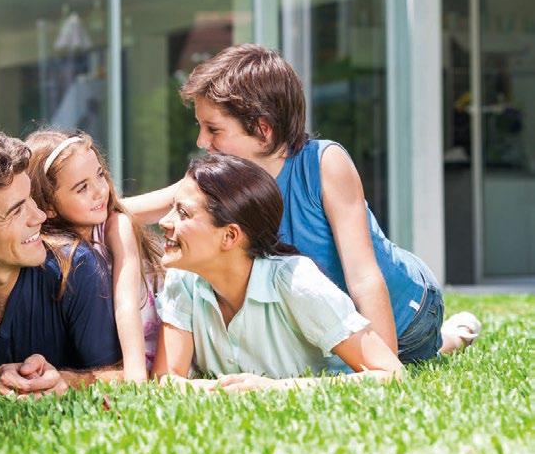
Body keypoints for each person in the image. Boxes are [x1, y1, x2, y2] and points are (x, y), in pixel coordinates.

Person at [128, 44, 481, 365]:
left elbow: (363, 275)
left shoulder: (324, 164)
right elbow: (141, 208)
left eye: (214, 129)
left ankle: (450, 336)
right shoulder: (226, 179)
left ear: (263, 130)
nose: (202, 140)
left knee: (411, 357)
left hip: (406, 312)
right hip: (332, 320)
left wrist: (383, 363)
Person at [0, 128, 163, 382]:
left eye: (31, 199)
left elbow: (120, 375)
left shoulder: (81, 261)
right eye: (17, 210)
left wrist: (68, 382)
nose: (40, 216)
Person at [154, 154, 404, 391]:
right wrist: (214, 389)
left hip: (413, 316)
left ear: (230, 236)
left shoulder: (296, 283)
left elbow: (391, 373)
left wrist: (274, 389)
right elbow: (166, 379)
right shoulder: (183, 277)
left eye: (183, 213)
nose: (164, 221)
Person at [25, 128, 163, 381]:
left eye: (100, 175)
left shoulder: (115, 226)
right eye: (82, 188)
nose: (100, 190)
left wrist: (136, 378)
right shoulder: (43, 246)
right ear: (48, 206)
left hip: (141, 349)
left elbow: (126, 305)